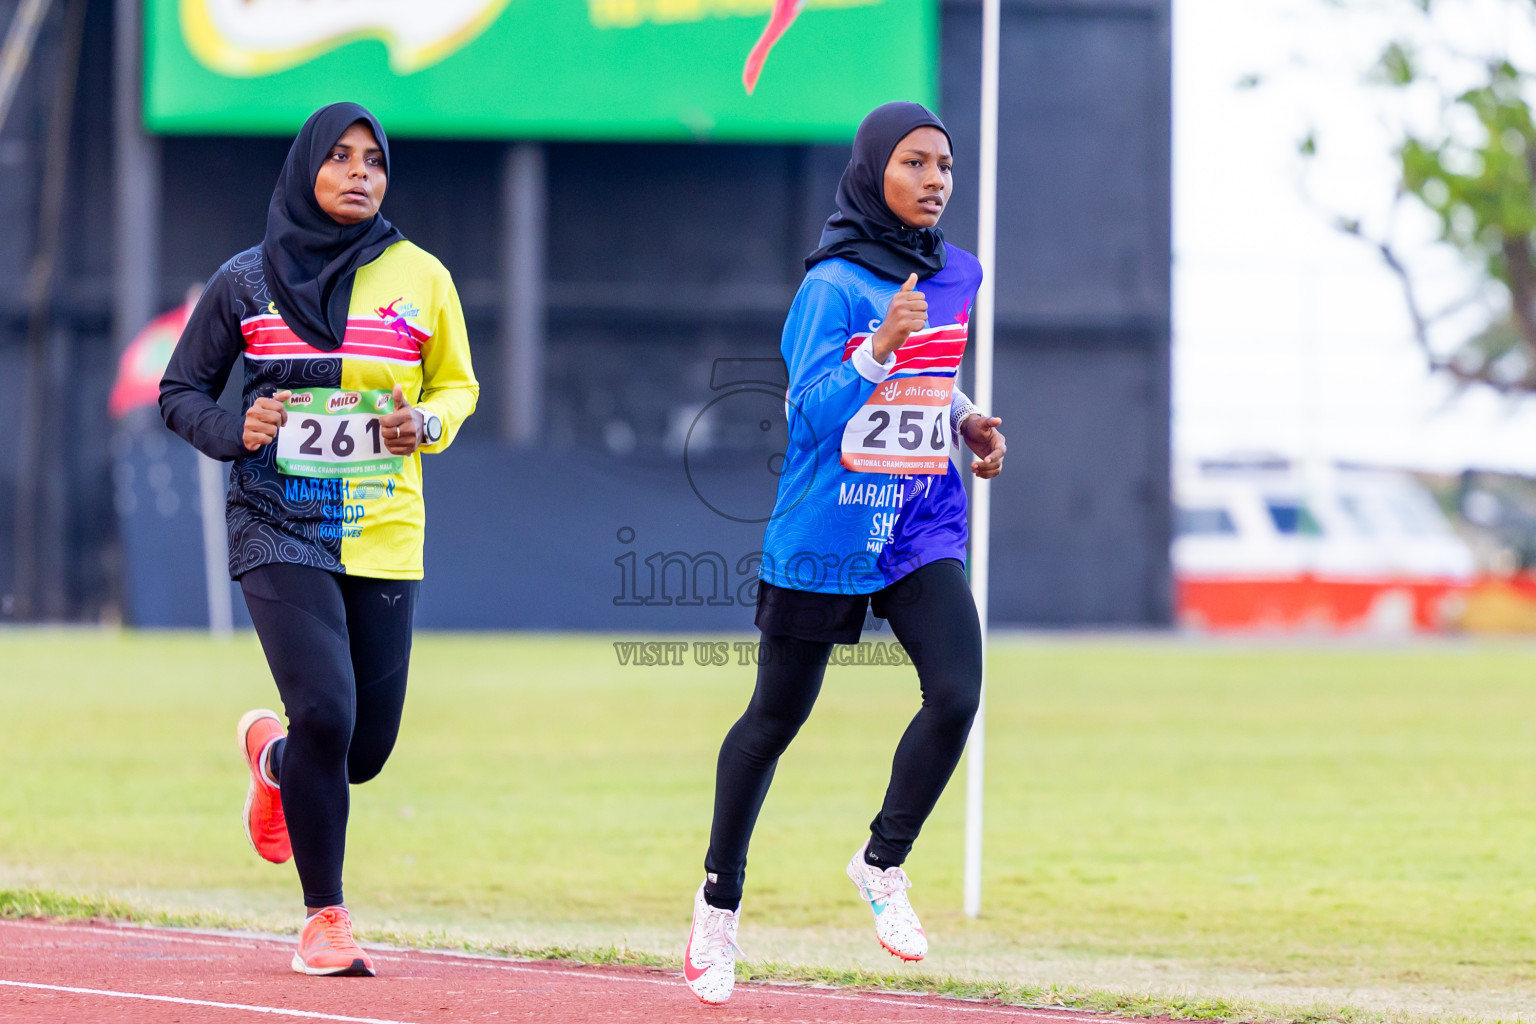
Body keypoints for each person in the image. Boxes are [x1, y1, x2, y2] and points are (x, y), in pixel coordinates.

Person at [682, 102, 1006, 1005]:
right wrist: (876, 347)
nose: (936, 179)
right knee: (773, 724)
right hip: (827, 523)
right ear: (873, 173)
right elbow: (811, 411)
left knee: (957, 694)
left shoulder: (958, 273)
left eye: (945, 164)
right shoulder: (832, 285)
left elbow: (931, 382)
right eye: (915, 163)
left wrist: (967, 418)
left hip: (918, 520)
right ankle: (717, 906)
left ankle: (881, 862)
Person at [159, 102, 479, 978]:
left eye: (372, 161)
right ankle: (324, 919)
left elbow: (458, 386)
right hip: (276, 522)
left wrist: (430, 422)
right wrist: (239, 427)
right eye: (338, 158)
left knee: (361, 753)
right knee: (327, 713)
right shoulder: (244, 281)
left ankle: (273, 761)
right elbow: (180, 391)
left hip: (383, 529)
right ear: (306, 168)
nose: (358, 174)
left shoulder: (423, 277)